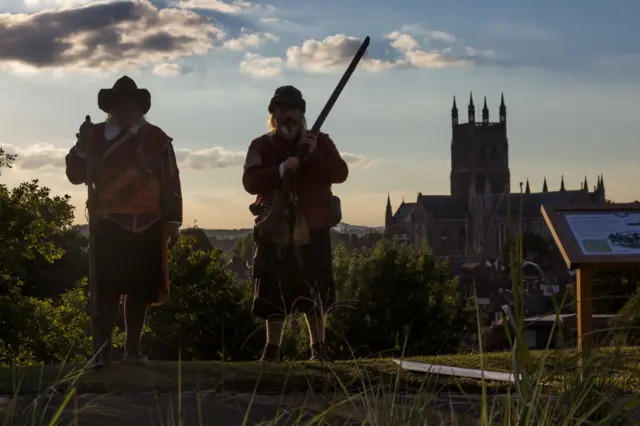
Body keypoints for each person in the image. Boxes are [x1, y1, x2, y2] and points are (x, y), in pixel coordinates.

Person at [65, 76, 182, 368]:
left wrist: (173, 221)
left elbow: (170, 180)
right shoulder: (95, 135)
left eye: (133, 105)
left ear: (140, 108)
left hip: (149, 222)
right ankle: (102, 351)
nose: (127, 110)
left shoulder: (157, 139)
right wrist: (81, 147)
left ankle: (132, 349)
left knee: (140, 289)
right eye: (122, 105)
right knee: (107, 289)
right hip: (109, 222)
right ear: (113, 107)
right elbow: (76, 175)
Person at [242, 85, 349, 362]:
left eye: (292, 110)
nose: (287, 115)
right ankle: (272, 350)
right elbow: (250, 181)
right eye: (281, 110)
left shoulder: (320, 142)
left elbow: (341, 172)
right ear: (273, 115)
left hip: (313, 227)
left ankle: (319, 348)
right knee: (273, 292)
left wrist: (311, 155)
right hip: (275, 226)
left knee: (315, 291)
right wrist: (281, 169)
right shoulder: (261, 145)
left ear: (301, 114)